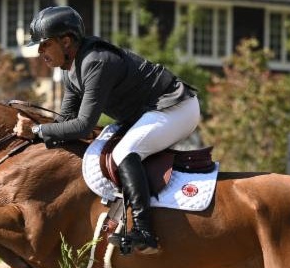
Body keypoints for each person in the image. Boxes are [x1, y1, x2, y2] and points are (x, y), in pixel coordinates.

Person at [13, 5, 200, 255]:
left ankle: (145, 232)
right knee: (104, 146)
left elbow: (83, 125)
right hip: (146, 113)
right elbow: (65, 121)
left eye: (45, 44)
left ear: (66, 41)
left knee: (124, 152)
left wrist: (36, 130)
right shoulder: (71, 72)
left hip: (176, 107)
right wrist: (35, 126)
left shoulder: (96, 61)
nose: (39, 51)